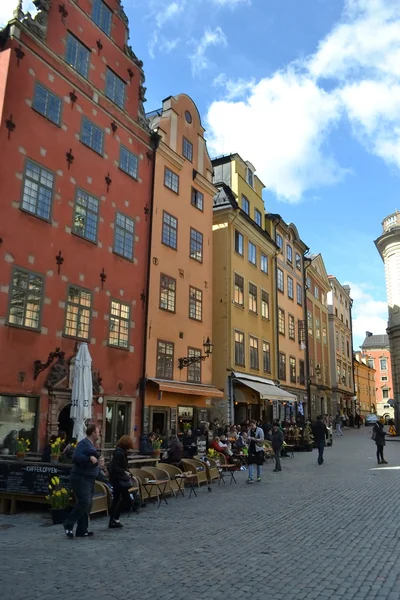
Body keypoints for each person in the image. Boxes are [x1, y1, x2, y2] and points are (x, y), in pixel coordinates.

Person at [63, 424, 100, 539]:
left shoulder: (91, 445)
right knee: (84, 502)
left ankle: (82, 530)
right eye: (98, 432)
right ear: (93, 433)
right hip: (80, 477)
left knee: (87, 504)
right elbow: (76, 457)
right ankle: (68, 524)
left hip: (89, 478)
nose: (99, 434)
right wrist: (89, 458)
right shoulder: (83, 443)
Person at [108, 435, 134, 528]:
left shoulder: (120, 452)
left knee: (116, 500)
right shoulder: (119, 453)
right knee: (126, 500)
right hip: (118, 479)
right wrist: (125, 472)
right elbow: (114, 467)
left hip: (117, 479)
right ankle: (115, 518)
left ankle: (113, 520)